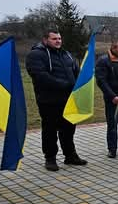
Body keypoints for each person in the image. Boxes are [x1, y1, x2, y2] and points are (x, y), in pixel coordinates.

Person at [26, 29, 86, 171]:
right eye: (54, 39)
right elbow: (40, 76)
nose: (58, 41)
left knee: (68, 129)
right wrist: (65, 85)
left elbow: (76, 71)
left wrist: (80, 84)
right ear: (45, 40)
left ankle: (70, 155)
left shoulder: (66, 54)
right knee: (50, 131)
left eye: (59, 38)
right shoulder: (36, 55)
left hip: (68, 100)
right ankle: (50, 158)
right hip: (49, 101)